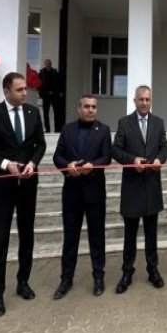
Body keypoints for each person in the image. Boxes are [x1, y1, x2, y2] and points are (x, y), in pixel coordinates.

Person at [0, 72, 46, 317]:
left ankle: (23, 282)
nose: (25, 93)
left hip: (28, 185)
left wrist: (32, 164)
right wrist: (5, 164)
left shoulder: (33, 112)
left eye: (25, 89)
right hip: (3, 187)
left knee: (27, 237)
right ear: (7, 91)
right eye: (19, 90)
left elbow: (41, 145)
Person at [51, 95, 111, 300]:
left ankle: (99, 277)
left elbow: (107, 157)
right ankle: (66, 279)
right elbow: (57, 156)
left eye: (94, 107)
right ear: (79, 108)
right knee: (70, 238)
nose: (91, 110)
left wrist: (92, 166)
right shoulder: (67, 130)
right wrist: (67, 166)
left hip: (94, 192)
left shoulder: (103, 130)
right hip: (72, 193)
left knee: (97, 237)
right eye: (86, 106)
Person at [111, 85, 167, 293]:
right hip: (132, 187)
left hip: (152, 186)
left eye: (147, 99)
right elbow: (115, 150)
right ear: (134, 101)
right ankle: (127, 272)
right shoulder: (124, 123)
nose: (144, 103)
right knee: (130, 235)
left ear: (151, 101)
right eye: (141, 99)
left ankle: (153, 270)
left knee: (152, 234)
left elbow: (165, 147)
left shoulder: (159, 123)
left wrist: (159, 160)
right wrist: (131, 159)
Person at [38, 59, 63, 133]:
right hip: (45, 96)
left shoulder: (55, 72)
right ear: (44, 64)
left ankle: (57, 129)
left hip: (55, 95)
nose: (48, 65)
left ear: (51, 64)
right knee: (45, 113)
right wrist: (40, 93)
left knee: (57, 113)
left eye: (49, 64)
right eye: (46, 64)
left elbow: (60, 83)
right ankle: (47, 129)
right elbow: (39, 84)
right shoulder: (41, 73)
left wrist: (60, 92)